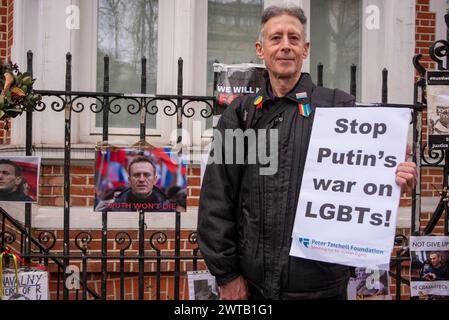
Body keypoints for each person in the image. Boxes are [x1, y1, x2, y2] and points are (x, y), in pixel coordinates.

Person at [197, 5, 417, 300]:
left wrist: (396, 177)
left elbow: (366, 180)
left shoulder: (338, 108)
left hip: (323, 287)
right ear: (261, 49)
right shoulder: (241, 114)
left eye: (293, 38)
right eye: (276, 38)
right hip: (254, 287)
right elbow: (216, 197)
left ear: (305, 48)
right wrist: (227, 274)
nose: (285, 45)